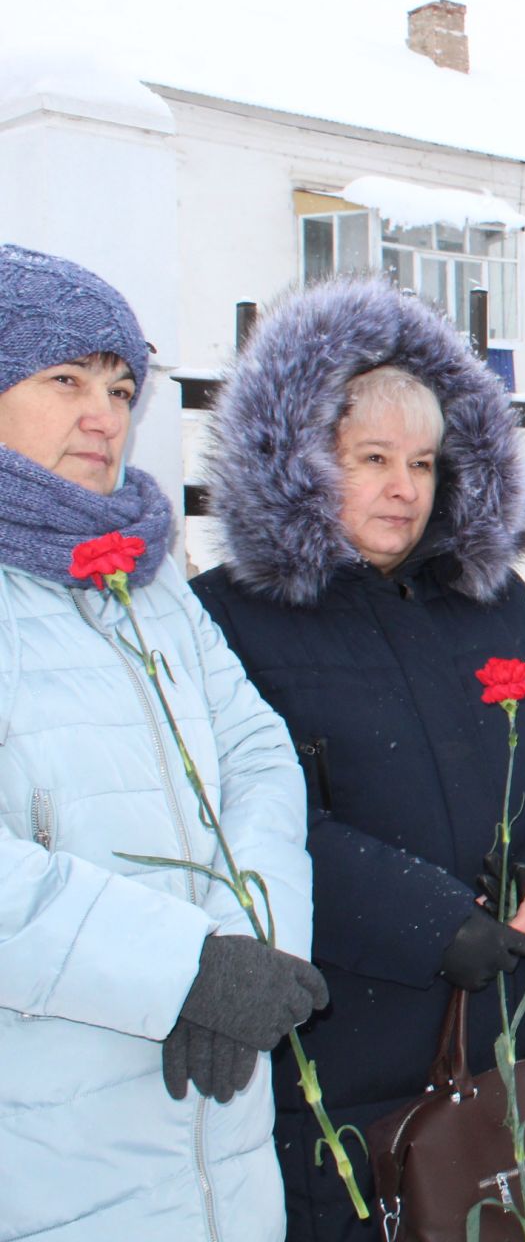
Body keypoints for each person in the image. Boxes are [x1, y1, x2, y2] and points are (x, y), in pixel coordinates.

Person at [191, 277, 525, 1240]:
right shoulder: (226, 616)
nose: (404, 489)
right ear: (300, 461)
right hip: (365, 1035)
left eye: (425, 463)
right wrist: (431, 923)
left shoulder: (489, 598)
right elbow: (248, 810)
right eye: (373, 459)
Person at [0, 245, 322, 1240]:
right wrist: (180, 967)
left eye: (121, 385)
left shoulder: (148, 582)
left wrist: (253, 953)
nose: (105, 415)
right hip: (49, 1157)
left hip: (218, 1153)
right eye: (65, 380)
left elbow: (259, 757)